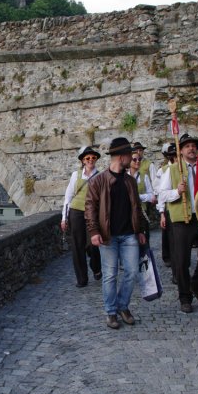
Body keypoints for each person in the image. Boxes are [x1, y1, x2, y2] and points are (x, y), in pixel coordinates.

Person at [85, 137, 147, 329]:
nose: (134, 157)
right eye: (130, 154)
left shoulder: (130, 181)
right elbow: (90, 208)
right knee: (110, 275)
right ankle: (111, 312)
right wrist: (94, 231)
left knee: (132, 272)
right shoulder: (99, 181)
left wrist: (141, 230)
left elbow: (137, 207)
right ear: (121, 157)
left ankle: (122, 306)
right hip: (108, 236)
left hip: (129, 235)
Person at [156, 133, 198, 313]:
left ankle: (197, 286)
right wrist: (177, 191)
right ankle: (185, 297)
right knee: (182, 260)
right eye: (187, 146)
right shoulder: (173, 170)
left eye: (193, 145)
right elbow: (162, 194)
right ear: (181, 151)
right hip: (182, 219)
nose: (191, 148)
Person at [60, 146, 102, 287]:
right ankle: (82, 279)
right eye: (87, 158)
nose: (90, 160)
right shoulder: (76, 175)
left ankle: (96, 267)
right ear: (83, 161)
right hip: (76, 212)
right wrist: (64, 218)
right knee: (77, 246)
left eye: (93, 158)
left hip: (93, 213)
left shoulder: (100, 176)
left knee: (93, 244)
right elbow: (68, 198)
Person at [155, 143, 177, 273]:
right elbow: (158, 189)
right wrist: (161, 211)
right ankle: (167, 256)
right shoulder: (162, 170)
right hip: (168, 207)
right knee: (167, 234)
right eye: (173, 156)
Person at [128, 146, 155, 248]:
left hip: (141, 211)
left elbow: (151, 195)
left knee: (144, 238)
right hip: (128, 212)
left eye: (139, 159)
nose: (137, 161)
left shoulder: (144, 176)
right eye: (134, 159)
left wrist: (138, 197)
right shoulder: (125, 176)